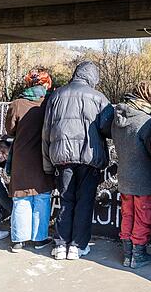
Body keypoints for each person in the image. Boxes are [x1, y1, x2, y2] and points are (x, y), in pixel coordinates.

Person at [42, 61, 114, 260]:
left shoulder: (56, 95)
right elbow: (108, 129)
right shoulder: (99, 98)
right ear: (92, 77)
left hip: (62, 158)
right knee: (84, 202)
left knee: (66, 200)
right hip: (88, 158)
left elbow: (46, 132)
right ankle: (77, 246)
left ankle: (60, 244)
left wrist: (48, 165)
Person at [111, 81, 151, 269]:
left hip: (124, 175)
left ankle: (127, 255)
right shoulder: (145, 120)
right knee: (143, 215)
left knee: (127, 215)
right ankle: (138, 256)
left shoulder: (117, 117)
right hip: (144, 177)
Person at [4, 68, 56, 253]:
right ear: (46, 83)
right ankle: (39, 238)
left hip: (22, 157)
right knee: (41, 196)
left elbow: (10, 130)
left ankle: (18, 240)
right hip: (44, 157)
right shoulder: (50, 102)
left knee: (21, 197)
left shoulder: (17, 104)